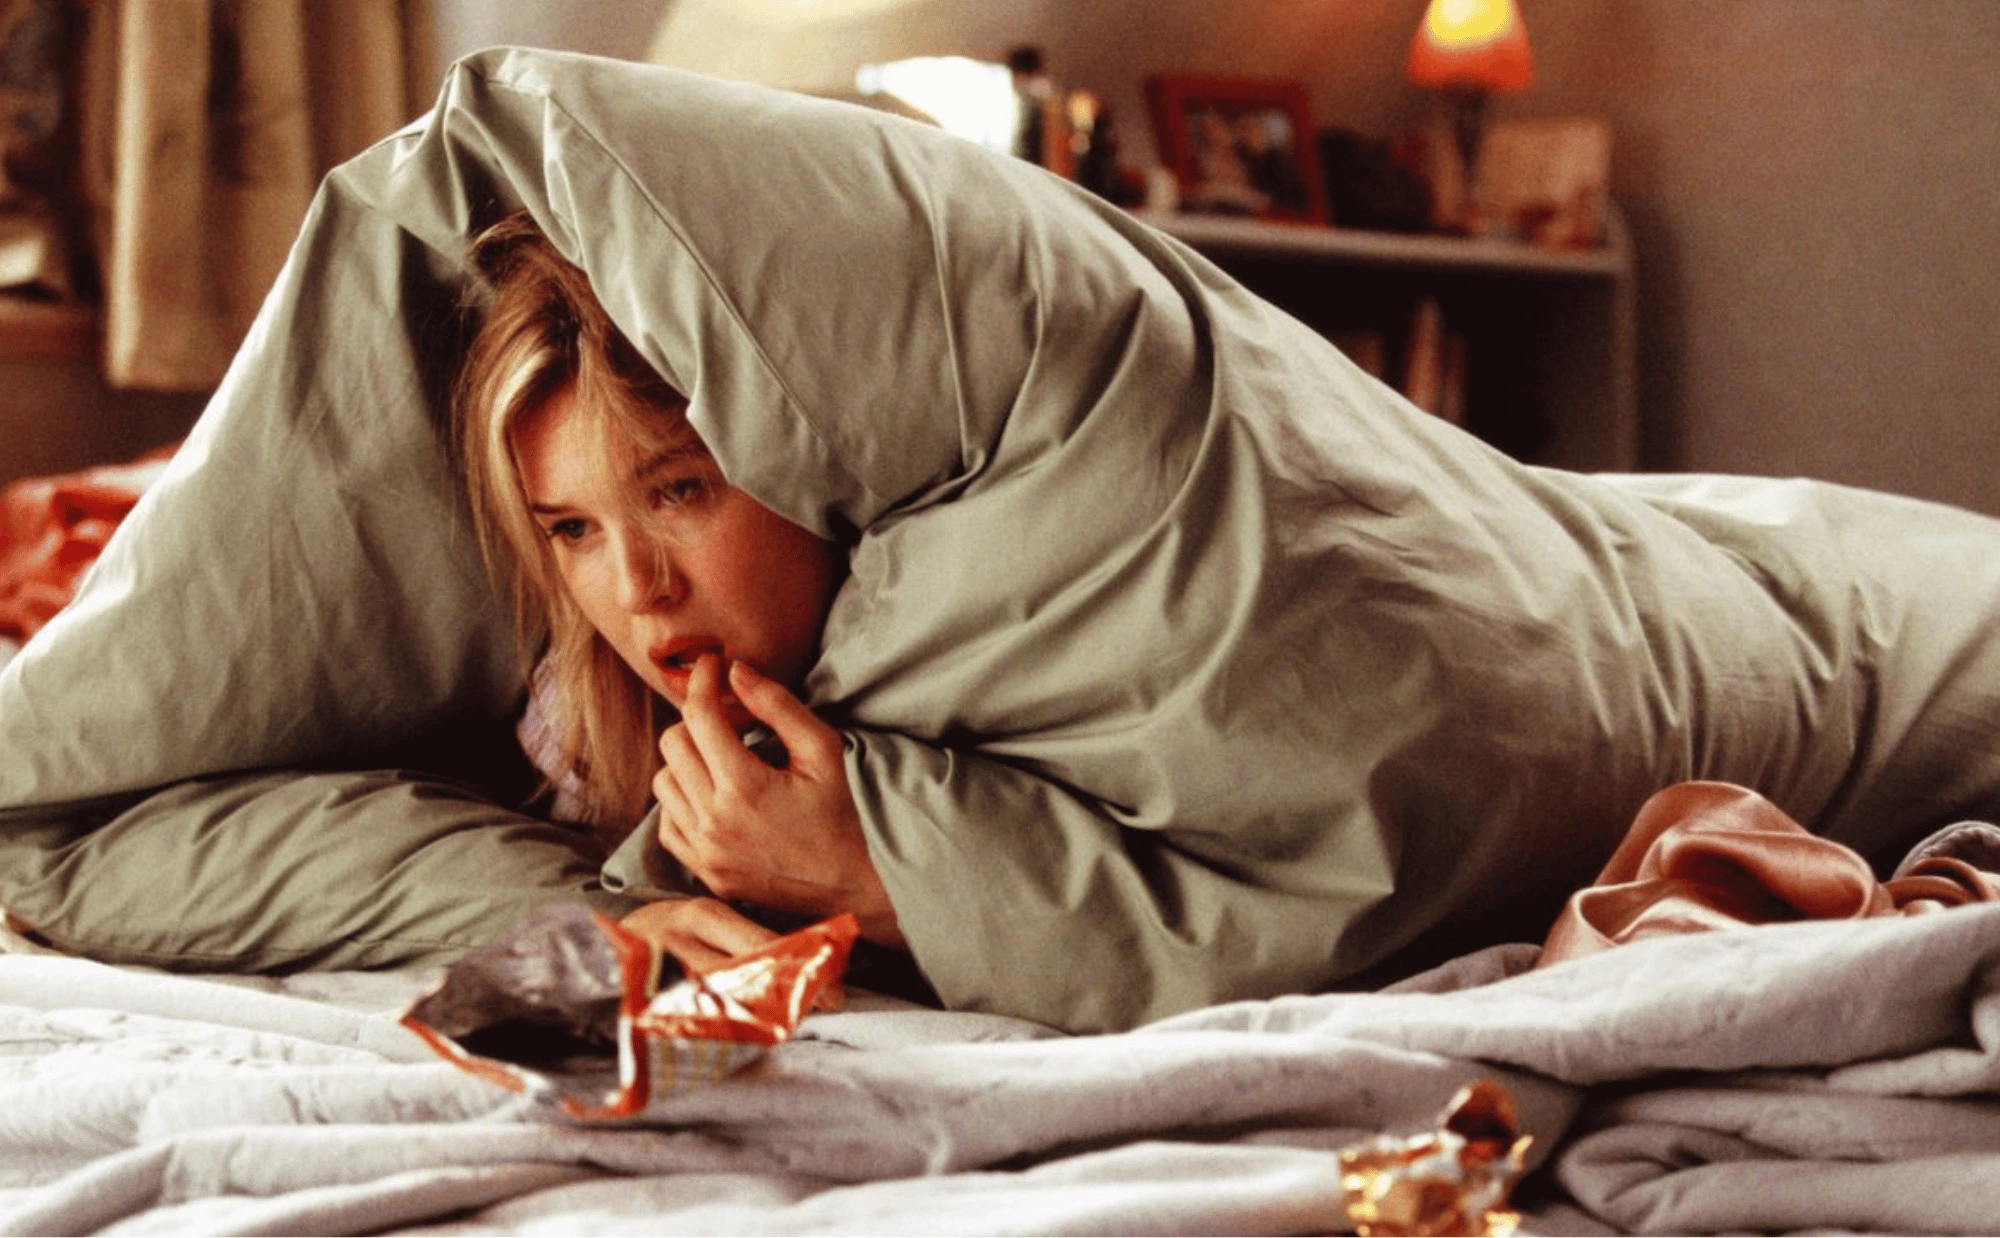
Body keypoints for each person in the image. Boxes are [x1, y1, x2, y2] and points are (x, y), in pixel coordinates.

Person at [452, 213, 903, 977]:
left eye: (679, 491)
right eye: (573, 529)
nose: (637, 589)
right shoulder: (574, 724)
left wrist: (868, 884)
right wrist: (619, 918)